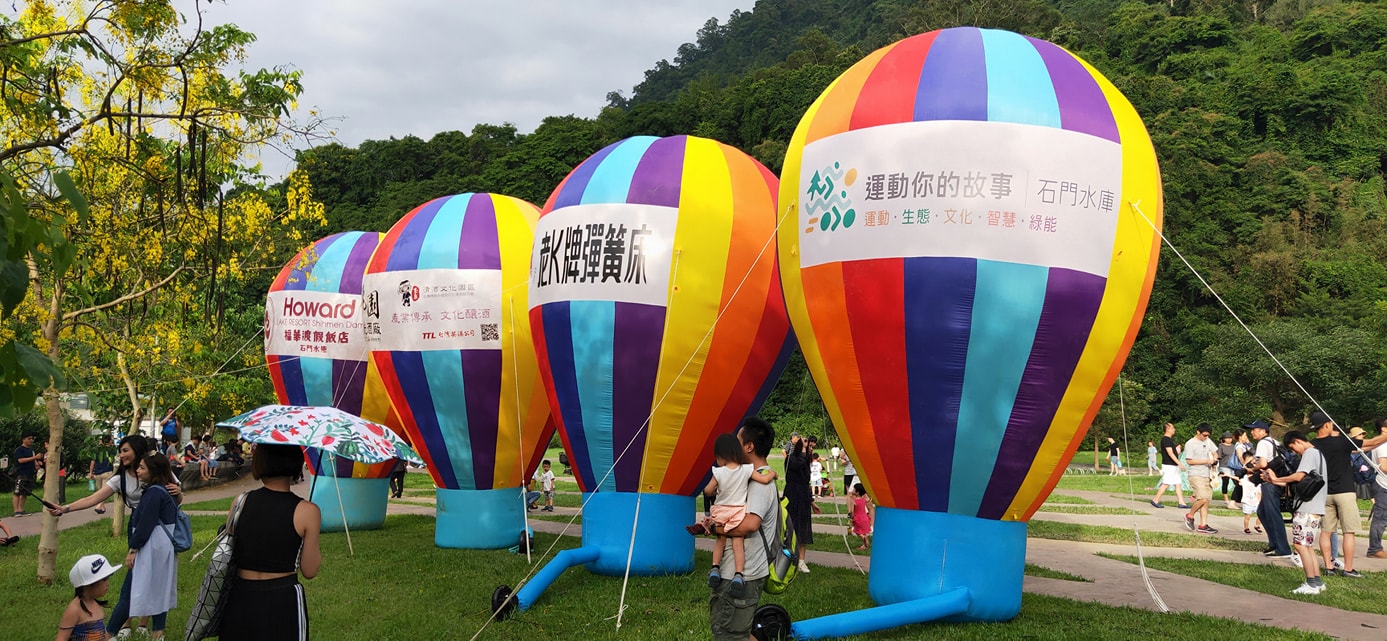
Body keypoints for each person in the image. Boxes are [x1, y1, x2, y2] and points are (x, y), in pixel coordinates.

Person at [50, 435, 183, 639]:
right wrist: (65, 509)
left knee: (153, 580)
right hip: (140, 527)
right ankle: (125, 626)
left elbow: (175, 498)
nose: (121, 455)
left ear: (138, 451)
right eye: (120, 451)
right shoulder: (120, 478)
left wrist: (179, 492)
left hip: (158, 530)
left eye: (125, 450)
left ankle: (142, 628)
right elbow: (94, 498)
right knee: (136, 580)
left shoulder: (155, 469)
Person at [219, 443, 322, 640]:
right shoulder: (308, 511)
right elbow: (310, 570)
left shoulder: (240, 501)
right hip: (283, 600)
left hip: (240, 596)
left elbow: (230, 543)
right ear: (296, 464)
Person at [706, 417, 778, 641]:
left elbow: (750, 524)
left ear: (749, 446)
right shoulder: (744, 478)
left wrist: (715, 527)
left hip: (742, 575)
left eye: (737, 441)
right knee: (737, 633)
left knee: (729, 634)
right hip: (736, 573)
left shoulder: (758, 482)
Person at [1307, 411, 1387, 577]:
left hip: (1325, 493)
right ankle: (1348, 569)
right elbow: (1372, 441)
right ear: (1327, 425)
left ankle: (1329, 567)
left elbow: (1367, 447)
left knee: (1326, 532)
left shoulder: (1312, 445)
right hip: (1345, 492)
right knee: (1348, 532)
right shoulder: (1341, 442)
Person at [700, 433, 776, 597]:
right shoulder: (746, 470)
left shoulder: (719, 472)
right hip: (737, 511)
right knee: (737, 541)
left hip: (720, 510)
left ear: (720, 456)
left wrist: (714, 489)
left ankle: (715, 567)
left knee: (720, 541)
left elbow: (707, 491)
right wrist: (772, 474)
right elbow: (763, 480)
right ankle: (739, 574)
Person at [1264, 430, 1328, 594]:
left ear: (1298, 442)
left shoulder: (1309, 453)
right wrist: (1274, 480)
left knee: (1300, 545)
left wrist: (1277, 479)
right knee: (1308, 546)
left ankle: (1311, 583)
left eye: (1293, 448)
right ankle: (1317, 582)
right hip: (1316, 507)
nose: (1294, 453)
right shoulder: (1319, 454)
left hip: (1307, 508)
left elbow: (1299, 477)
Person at [124, 453, 178, 639]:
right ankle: (157, 631)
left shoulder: (155, 492)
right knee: (160, 588)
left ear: (153, 471)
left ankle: (114, 631)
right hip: (161, 546)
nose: (137, 471)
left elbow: (145, 524)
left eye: (142, 468)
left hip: (152, 546)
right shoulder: (162, 489)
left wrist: (133, 549)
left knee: (131, 590)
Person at [1246, 419, 1294, 559]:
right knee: (1262, 511)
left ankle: (1283, 549)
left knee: (1273, 514)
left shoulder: (1262, 443)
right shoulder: (1274, 442)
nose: (1252, 432)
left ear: (1263, 431)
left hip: (1271, 482)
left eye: (1254, 429)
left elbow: (1262, 463)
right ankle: (1274, 543)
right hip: (1277, 480)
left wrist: (1251, 469)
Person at [57, 553, 122, 641]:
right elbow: (62, 638)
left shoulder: (97, 605)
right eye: (104, 579)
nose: (107, 583)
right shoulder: (74, 610)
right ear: (88, 585)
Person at [783, 432, 814, 573]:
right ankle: (787, 557)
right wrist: (802, 449)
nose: (809, 450)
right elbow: (796, 465)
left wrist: (812, 501)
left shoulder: (806, 462)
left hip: (803, 496)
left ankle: (801, 561)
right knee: (790, 526)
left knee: (803, 527)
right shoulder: (790, 460)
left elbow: (806, 482)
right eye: (806, 447)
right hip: (792, 495)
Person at [1182, 424, 1219, 533]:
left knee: (1206, 500)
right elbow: (1189, 461)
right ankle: (1190, 515)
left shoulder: (1207, 441)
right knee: (1202, 498)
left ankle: (1203, 525)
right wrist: (1206, 461)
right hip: (1196, 474)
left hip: (1208, 474)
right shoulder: (1190, 443)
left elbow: (1215, 452)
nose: (1205, 437)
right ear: (1198, 432)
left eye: (1208, 435)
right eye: (1204, 435)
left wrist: (1214, 459)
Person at [1150, 423, 1187, 509]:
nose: (1174, 429)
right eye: (1173, 428)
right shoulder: (1166, 440)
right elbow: (1170, 453)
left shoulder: (1169, 440)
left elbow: (1172, 452)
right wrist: (1179, 463)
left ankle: (1181, 502)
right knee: (1166, 483)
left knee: (1178, 483)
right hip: (1169, 465)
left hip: (1173, 465)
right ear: (1167, 429)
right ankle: (1155, 500)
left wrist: (1177, 451)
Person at [1368, 418, 1387, 559]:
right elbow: (1384, 466)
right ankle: (1375, 549)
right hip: (1383, 485)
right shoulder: (1383, 445)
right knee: (1380, 518)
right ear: (1383, 429)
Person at [12, 433, 43, 516]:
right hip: (21, 473)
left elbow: (34, 460)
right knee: (17, 492)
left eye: (32, 439)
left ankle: (21, 510)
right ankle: (16, 511)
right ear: (23, 439)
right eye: (29, 439)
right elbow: (20, 460)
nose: (31, 440)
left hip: (30, 473)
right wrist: (34, 458)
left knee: (25, 493)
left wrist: (37, 463)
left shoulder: (31, 450)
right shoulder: (19, 450)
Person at [1216, 430, 1239, 504]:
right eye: (1227, 438)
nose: (1229, 439)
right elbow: (1218, 456)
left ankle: (1236, 497)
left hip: (1233, 466)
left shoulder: (1234, 446)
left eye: (1230, 438)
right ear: (1224, 439)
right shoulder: (1221, 446)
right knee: (1225, 482)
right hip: (1224, 466)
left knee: (1236, 482)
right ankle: (1226, 498)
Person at [849, 482, 873, 550]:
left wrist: (852, 517)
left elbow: (852, 511)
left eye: (854, 489)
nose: (852, 490)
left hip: (858, 518)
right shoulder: (863, 499)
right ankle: (865, 545)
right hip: (864, 518)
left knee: (857, 532)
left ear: (857, 492)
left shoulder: (854, 501)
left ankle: (863, 538)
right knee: (863, 531)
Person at [1239, 468, 1262, 535]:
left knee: (1260, 515)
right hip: (1247, 501)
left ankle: (1257, 525)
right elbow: (1237, 479)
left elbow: (1259, 493)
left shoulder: (1258, 484)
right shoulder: (1245, 481)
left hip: (1256, 502)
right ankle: (1246, 528)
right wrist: (1227, 475)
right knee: (1247, 516)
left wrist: (1260, 501)